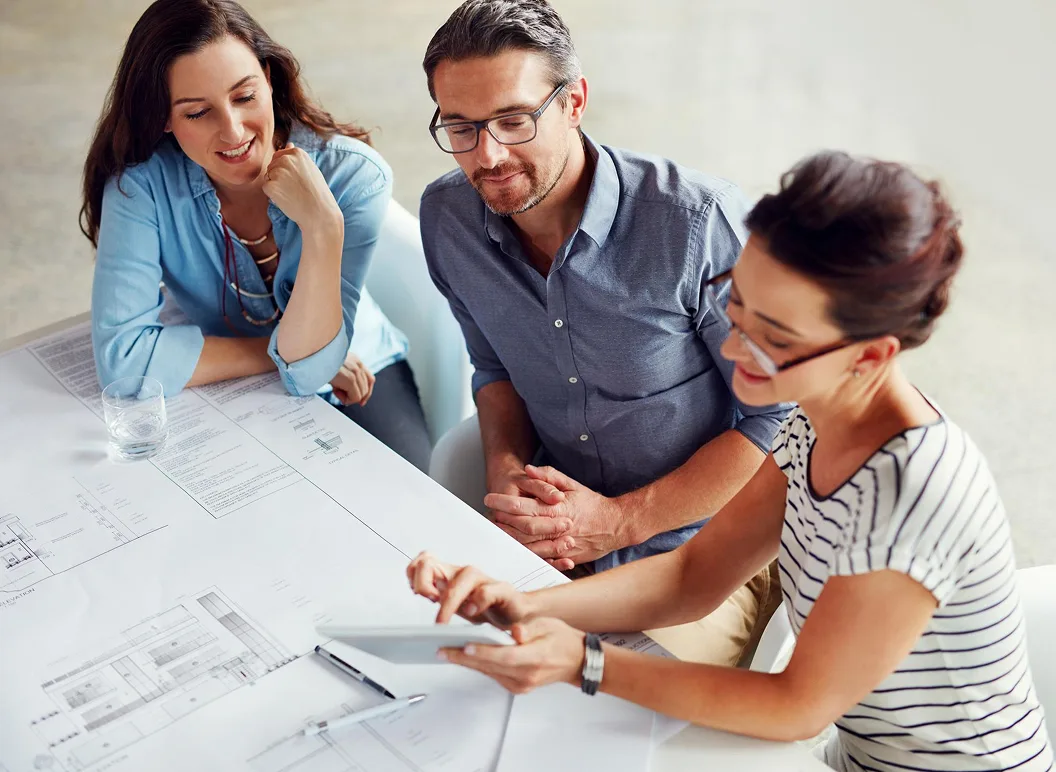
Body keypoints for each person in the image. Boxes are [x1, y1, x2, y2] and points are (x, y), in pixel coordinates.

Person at [408, 151, 1054, 771]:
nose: (736, 347)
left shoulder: (912, 492)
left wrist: (586, 662)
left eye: (776, 339)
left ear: (871, 356)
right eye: (737, 302)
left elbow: (798, 705)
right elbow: (693, 575)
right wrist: (527, 604)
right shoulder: (814, 421)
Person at [418, 0, 789, 666]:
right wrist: (506, 474)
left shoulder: (700, 224)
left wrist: (617, 523)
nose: (488, 155)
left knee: (618, 721)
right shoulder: (446, 217)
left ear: (575, 102)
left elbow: (776, 423)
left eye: (513, 119)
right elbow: (494, 370)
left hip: (698, 549)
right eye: (462, 127)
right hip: (549, 534)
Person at [81, 0, 431, 471]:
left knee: (411, 512)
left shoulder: (353, 177)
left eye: (244, 97)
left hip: (360, 366)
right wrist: (273, 354)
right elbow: (124, 366)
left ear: (268, 78)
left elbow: (309, 372)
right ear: (164, 117)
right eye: (197, 112)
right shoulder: (139, 188)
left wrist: (323, 224)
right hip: (232, 371)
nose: (232, 131)